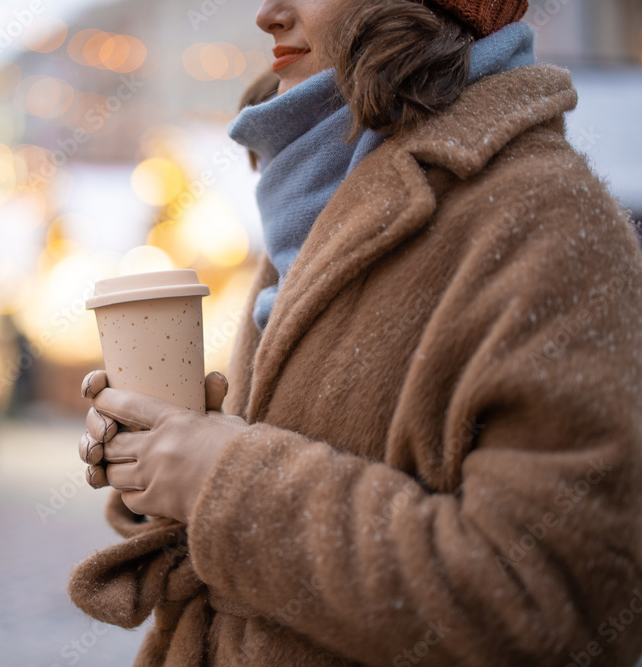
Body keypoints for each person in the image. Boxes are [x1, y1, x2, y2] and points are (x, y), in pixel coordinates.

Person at [70, 1, 642, 665]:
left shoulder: (549, 220)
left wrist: (219, 475)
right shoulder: (319, 200)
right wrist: (167, 464)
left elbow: (555, 602)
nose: (267, 14)